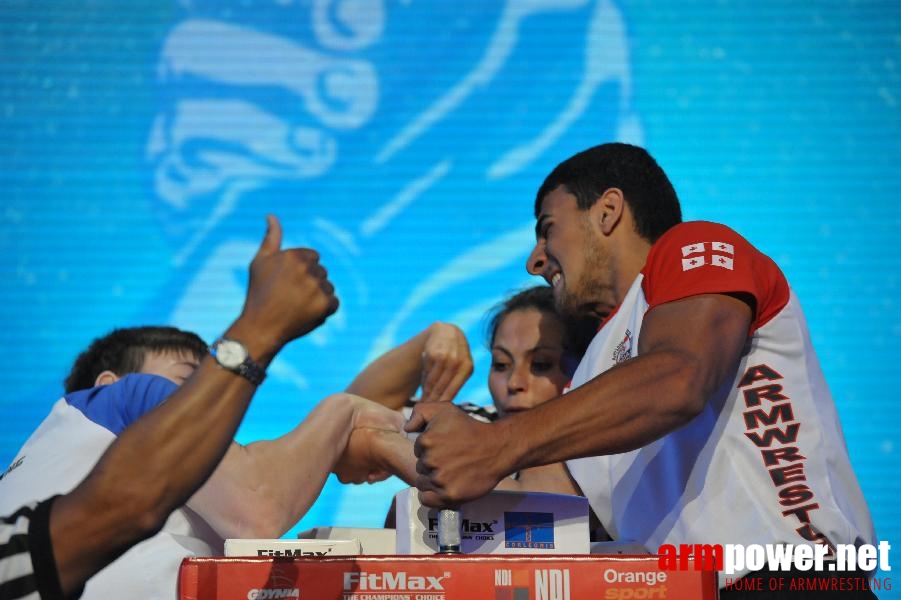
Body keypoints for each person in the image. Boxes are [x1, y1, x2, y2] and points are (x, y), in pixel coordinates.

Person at [405, 143, 877, 598]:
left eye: (548, 228)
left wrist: (496, 444)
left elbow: (679, 379)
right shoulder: (595, 373)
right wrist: (375, 435)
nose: (535, 260)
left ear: (607, 211)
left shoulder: (693, 245)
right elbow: (543, 495)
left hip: (785, 577)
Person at [0, 215, 404, 600]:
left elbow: (291, 459)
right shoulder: (129, 395)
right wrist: (343, 409)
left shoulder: (28, 478)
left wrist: (423, 349)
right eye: (188, 380)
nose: (206, 395)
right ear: (109, 383)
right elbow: (258, 507)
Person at [344, 286, 599, 526]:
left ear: (582, 366)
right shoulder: (475, 422)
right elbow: (351, 416)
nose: (514, 382)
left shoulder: (603, 437)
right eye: (501, 364)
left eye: (541, 364)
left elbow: (542, 514)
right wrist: (430, 338)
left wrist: (382, 446)